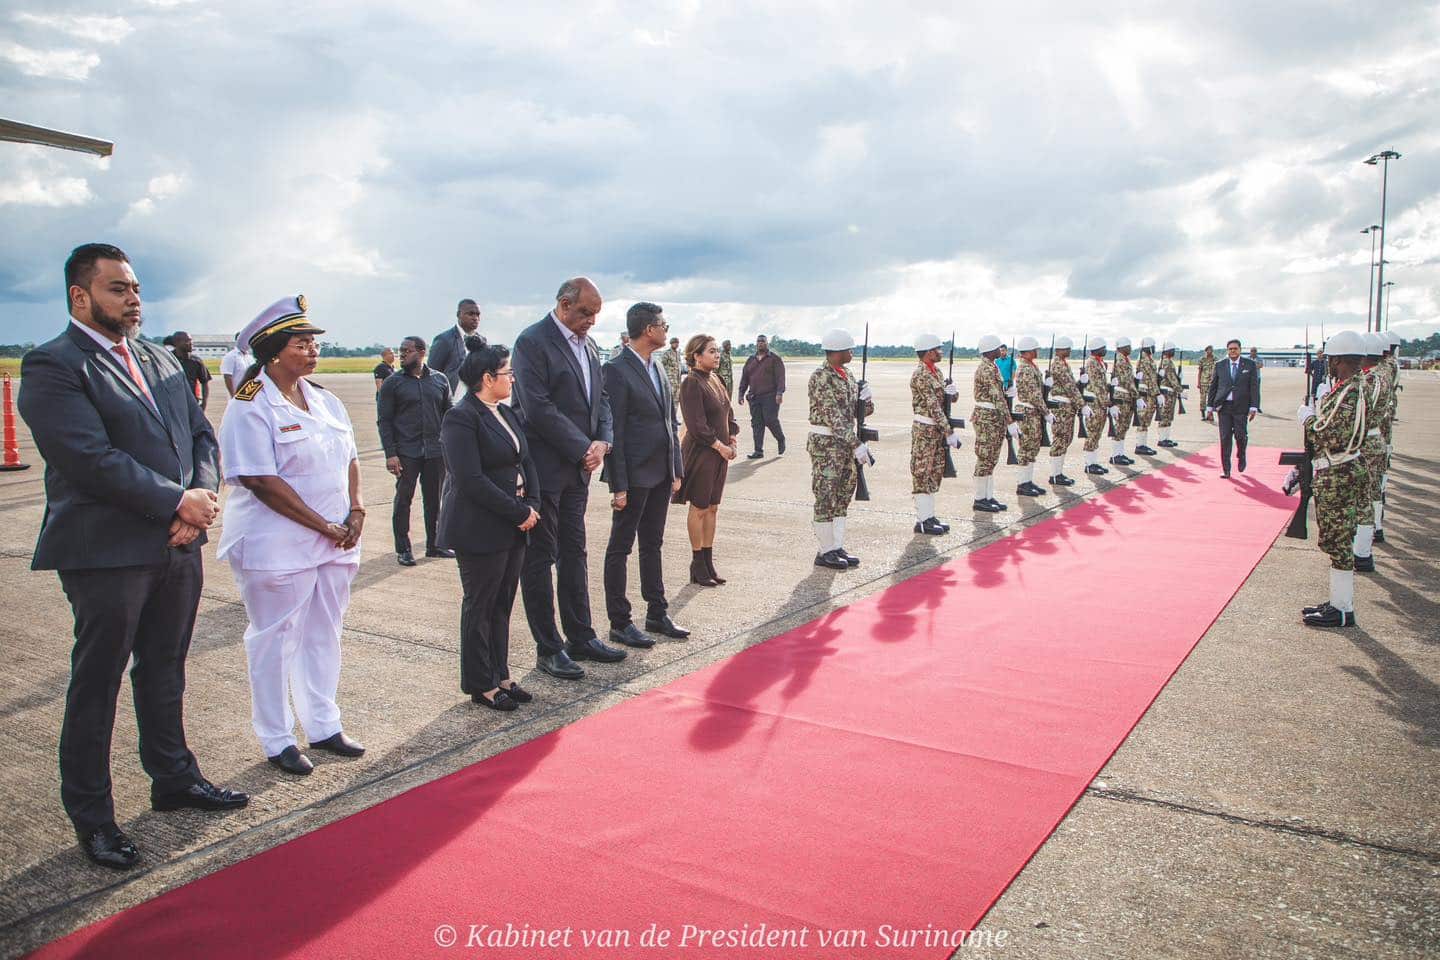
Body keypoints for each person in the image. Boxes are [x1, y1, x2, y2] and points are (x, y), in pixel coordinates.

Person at [19, 243, 247, 870]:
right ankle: (93, 818)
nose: (134, 299)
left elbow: (201, 433)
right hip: (107, 551)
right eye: (118, 289)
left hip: (177, 543)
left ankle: (173, 778)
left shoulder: (159, 358)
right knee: (97, 683)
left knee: (166, 667)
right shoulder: (54, 366)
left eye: (137, 288)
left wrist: (198, 497)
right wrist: (178, 501)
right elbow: (88, 459)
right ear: (79, 296)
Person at [217, 295, 366, 777]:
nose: (312, 348)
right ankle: (277, 736)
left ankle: (323, 724)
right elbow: (260, 480)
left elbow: (349, 459)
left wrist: (357, 510)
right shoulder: (250, 404)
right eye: (301, 341)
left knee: (325, 633)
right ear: (274, 350)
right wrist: (324, 524)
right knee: (274, 640)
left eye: (312, 340)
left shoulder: (325, 398)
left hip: (335, 541)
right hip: (277, 544)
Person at [511, 277, 626, 680]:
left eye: (595, 314)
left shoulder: (589, 345)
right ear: (563, 305)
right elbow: (537, 407)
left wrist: (603, 443)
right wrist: (583, 446)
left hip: (578, 470)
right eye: (585, 313)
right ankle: (549, 646)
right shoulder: (532, 342)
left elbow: (603, 401)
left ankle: (581, 635)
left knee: (574, 553)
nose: (592, 321)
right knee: (540, 559)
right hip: (543, 470)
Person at [436, 339, 541, 711]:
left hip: (514, 524)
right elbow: (469, 479)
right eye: (506, 373)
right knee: (479, 605)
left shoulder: (505, 413)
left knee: (502, 604)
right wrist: (517, 511)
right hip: (480, 526)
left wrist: (532, 505)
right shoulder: (461, 417)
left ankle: (501, 673)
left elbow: (526, 462)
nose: (512, 378)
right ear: (486, 377)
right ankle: (481, 683)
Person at [602, 303, 690, 644]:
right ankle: (620, 621)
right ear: (648, 329)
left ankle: (657, 612)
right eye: (663, 324)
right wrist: (618, 484)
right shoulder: (617, 369)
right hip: (634, 475)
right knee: (620, 547)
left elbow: (671, 421)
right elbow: (615, 431)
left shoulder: (659, 367)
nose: (666, 329)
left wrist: (676, 469)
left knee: (653, 543)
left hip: (660, 473)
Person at [1297, 331, 1368, 628]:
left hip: (1338, 474)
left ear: (1338, 359)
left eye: (1330, 359)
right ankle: (1338, 602)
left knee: (1338, 542)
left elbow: (1331, 436)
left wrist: (1308, 419)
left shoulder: (1349, 392)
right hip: (1335, 471)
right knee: (1335, 540)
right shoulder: (1346, 389)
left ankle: (1342, 609)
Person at [377, 335, 453, 566]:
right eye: (400, 351)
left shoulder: (440, 380)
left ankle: (434, 545)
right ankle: (404, 549)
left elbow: (448, 414)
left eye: (406, 351)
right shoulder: (393, 382)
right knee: (403, 500)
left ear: (421, 353)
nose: (401, 355)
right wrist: (391, 453)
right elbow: (384, 421)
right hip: (406, 453)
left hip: (434, 451)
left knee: (434, 500)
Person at [673, 333, 740, 586]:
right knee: (699, 507)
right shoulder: (691, 383)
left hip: (720, 453)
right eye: (711, 351)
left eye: (717, 351)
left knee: (713, 507)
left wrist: (732, 439)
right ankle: (697, 562)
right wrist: (720, 446)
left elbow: (729, 416)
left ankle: (709, 560)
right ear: (696, 356)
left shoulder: (717, 379)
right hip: (703, 453)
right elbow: (696, 425)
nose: (716, 355)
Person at [808, 330, 871, 569]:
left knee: (843, 495)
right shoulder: (821, 377)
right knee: (826, 496)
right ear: (836, 352)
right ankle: (825, 551)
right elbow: (833, 417)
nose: (852, 353)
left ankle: (836, 545)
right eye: (848, 349)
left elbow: (858, 413)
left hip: (844, 445)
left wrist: (866, 399)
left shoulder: (848, 375)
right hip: (827, 447)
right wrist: (857, 445)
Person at [909, 333, 960, 533]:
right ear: (929, 352)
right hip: (926, 430)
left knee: (934, 472)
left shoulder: (936, 372)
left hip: (937, 429)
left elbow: (945, 402)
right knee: (922, 472)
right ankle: (922, 520)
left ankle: (929, 517)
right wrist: (949, 431)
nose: (941, 352)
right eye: (938, 349)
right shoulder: (921, 374)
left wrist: (952, 393)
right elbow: (933, 406)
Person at [1351, 332, 1392, 574]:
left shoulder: (1370, 380)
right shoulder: (1380, 376)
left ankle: (1362, 554)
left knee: (1363, 499)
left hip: (1365, 442)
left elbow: (1360, 415)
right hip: (1375, 438)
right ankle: (1375, 530)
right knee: (1373, 491)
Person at [971, 334, 1017, 512]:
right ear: (991, 350)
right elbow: (996, 397)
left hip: (993, 417)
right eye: (998, 347)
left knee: (991, 459)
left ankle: (987, 496)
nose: (1001, 350)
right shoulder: (987, 369)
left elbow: (998, 394)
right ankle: (979, 498)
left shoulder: (992, 366)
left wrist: (1008, 393)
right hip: (986, 418)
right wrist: (1009, 420)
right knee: (985, 458)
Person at [1205, 338, 1260, 478]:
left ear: (1240, 349)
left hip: (1241, 407)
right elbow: (1213, 386)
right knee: (1225, 438)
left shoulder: (1250, 364)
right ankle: (1226, 469)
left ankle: (1241, 455)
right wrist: (1209, 406)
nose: (1233, 351)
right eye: (1230, 349)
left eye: (1235, 348)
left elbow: (1254, 387)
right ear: (1227, 350)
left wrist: (1254, 406)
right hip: (1224, 407)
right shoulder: (1220, 365)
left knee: (1240, 436)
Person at [738, 333, 787, 459]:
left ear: (767, 343)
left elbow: (781, 377)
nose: (761, 343)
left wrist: (779, 393)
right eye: (758, 341)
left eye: (763, 341)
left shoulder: (774, 359)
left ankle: (780, 438)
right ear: (756, 343)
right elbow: (744, 378)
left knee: (770, 420)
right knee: (757, 424)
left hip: (770, 396)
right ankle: (758, 451)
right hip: (754, 397)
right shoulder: (750, 360)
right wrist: (741, 394)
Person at [1012, 336, 1048, 497]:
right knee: (1026, 447)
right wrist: (1046, 411)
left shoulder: (1030, 366)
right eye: (1034, 349)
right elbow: (1033, 394)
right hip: (1027, 412)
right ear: (1027, 352)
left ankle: (1027, 481)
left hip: (1033, 411)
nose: (1037, 351)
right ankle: (1022, 483)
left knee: (1033, 446)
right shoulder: (1025, 368)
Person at [1045, 335, 1082, 485]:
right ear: (1061, 350)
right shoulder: (1059, 365)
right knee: (1060, 439)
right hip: (1061, 407)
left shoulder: (1063, 363)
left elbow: (1071, 385)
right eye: (1068, 349)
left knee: (1065, 439)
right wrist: (1082, 404)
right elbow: (1070, 387)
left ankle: (1058, 473)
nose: (1070, 351)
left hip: (1067, 407)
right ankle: (1055, 475)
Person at [430, 298, 485, 394]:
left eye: (478, 314)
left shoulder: (482, 341)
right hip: (452, 401)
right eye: (470, 314)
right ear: (458, 314)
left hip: (476, 400)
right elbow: (431, 374)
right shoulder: (444, 340)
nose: (475, 317)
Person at [1080, 337, 1111, 475]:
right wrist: (1107, 402)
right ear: (1098, 349)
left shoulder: (1098, 362)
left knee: (1097, 433)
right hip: (1095, 403)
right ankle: (1089, 464)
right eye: (1103, 348)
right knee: (1092, 433)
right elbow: (1097, 386)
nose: (1105, 350)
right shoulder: (1092, 363)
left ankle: (1093, 462)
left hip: (1100, 403)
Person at [1108, 337, 1137, 466]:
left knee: (1124, 425)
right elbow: (1126, 380)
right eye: (1128, 346)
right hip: (1122, 396)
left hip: (1126, 396)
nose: (1130, 349)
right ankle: (1115, 455)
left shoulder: (1125, 359)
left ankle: (1120, 453)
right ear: (1122, 348)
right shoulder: (1121, 360)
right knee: (1120, 426)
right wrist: (1137, 395)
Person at [170, 330, 212, 410]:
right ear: (176, 343)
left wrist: (204, 403)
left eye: (191, 340)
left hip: (192, 404)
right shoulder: (167, 359)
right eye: (187, 341)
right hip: (172, 404)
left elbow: (205, 383)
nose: (191, 343)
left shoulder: (197, 362)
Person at [1132, 337, 1160, 455]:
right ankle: (1140, 445)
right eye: (1153, 346)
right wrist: (1157, 393)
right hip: (1146, 394)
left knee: (1145, 420)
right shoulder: (1145, 360)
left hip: (1148, 393)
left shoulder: (1147, 358)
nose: (1154, 349)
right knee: (1143, 420)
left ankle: (1142, 444)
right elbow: (1150, 379)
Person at [1155, 342, 1182, 447]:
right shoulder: (1167, 362)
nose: (1174, 352)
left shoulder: (1166, 361)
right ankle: (1162, 439)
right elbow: (1171, 378)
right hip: (1167, 393)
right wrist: (1180, 390)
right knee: (1165, 416)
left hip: (1170, 393)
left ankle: (1166, 438)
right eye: (1172, 350)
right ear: (1168, 351)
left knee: (1168, 416)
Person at [220, 332, 252, 397]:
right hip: (237, 394)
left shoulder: (250, 357)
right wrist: (233, 395)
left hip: (250, 394)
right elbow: (227, 376)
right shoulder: (230, 356)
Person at [1197, 345, 1217, 422]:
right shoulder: (1202, 359)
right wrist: (1198, 382)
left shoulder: (1215, 359)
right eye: (1208, 350)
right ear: (1206, 351)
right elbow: (1200, 371)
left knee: (1211, 399)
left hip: (1212, 382)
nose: (1210, 351)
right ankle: (1202, 414)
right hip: (1203, 382)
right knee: (1203, 399)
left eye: (1211, 350)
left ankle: (1210, 414)